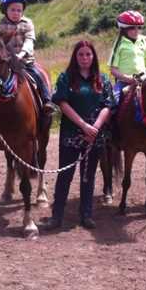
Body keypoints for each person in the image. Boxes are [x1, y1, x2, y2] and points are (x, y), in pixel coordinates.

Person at [45, 41, 114, 230]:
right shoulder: (66, 78)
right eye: (81, 55)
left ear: (94, 57)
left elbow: (108, 105)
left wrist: (96, 127)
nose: (84, 58)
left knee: (88, 175)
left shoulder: (103, 79)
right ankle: (57, 216)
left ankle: (86, 215)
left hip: (94, 136)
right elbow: (63, 104)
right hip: (71, 134)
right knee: (65, 175)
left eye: (88, 55)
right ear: (75, 57)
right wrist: (83, 125)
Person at [0, 0, 55, 115]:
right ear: (5, 10)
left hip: (25, 62)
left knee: (39, 75)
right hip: (8, 63)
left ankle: (47, 101)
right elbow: (1, 43)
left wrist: (22, 54)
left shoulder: (27, 23)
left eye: (19, 10)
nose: (16, 13)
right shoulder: (2, 24)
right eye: (12, 10)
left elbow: (29, 40)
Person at [109, 10, 146, 103]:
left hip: (144, 82)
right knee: (113, 103)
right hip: (124, 83)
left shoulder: (142, 41)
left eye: (139, 27)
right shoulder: (119, 43)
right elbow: (113, 69)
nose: (137, 31)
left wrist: (144, 78)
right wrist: (129, 79)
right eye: (132, 28)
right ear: (124, 29)